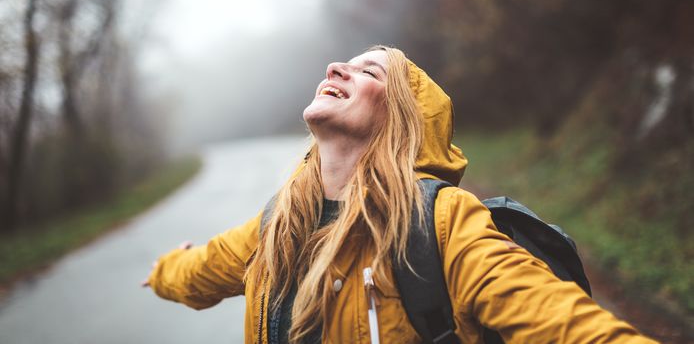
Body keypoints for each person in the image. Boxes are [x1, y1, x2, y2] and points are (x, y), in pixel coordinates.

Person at [144, 46, 657, 343]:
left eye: (369, 71)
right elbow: (201, 271)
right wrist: (164, 271)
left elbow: (558, 320)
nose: (335, 69)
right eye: (342, 64)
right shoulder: (280, 224)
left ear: (401, 118)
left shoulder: (439, 221)